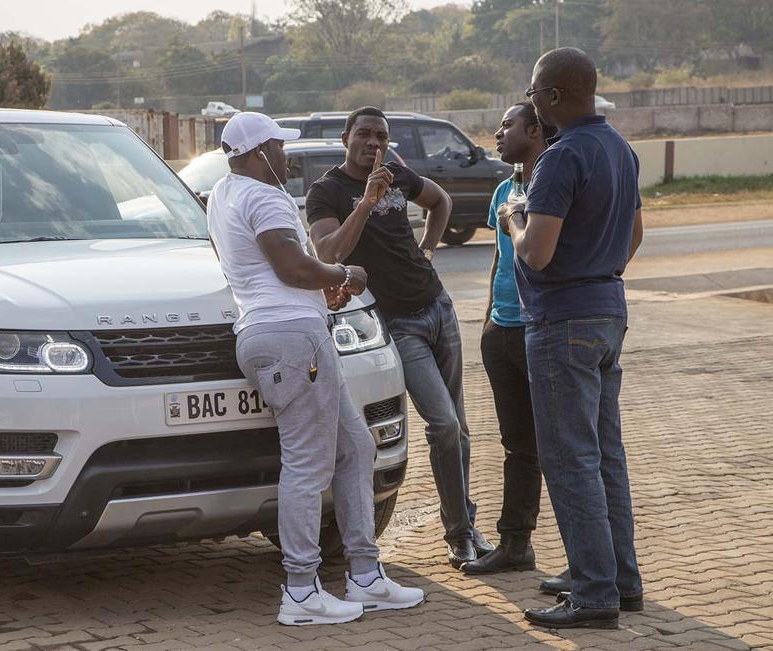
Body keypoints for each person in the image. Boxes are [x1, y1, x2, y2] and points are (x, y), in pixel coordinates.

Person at [206, 112, 424, 627]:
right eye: (279, 147)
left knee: (356, 446)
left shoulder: (222, 193)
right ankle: (301, 590)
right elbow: (291, 267)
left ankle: (365, 575)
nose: (286, 156)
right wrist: (341, 273)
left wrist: (318, 284)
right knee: (307, 462)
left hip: (273, 330)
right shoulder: (263, 196)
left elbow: (274, 270)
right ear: (260, 152)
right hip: (291, 338)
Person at [306, 106, 494, 570]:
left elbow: (441, 201)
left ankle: (466, 525)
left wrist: (429, 249)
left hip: (439, 309)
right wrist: (367, 202)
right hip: (399, 326)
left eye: (381, 137)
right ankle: (459, 535)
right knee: (443, 425)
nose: (373, 143)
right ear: (346, 136)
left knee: (460, 428)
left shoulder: (397, 174)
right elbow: (328, 253)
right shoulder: (326, 192)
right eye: (365, 134)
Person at [497, 48, 645, 629]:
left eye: (534, 93)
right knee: (606, 454)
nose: (531, 101)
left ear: (553, 97)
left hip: (561, 322)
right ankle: (617, 577)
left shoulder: (561, 158)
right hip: (607, 309)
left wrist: (513, 216)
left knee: (569, 459)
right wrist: (599, 269)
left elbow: (535, 252)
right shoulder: (620, 149)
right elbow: (634, 234)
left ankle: (592, 590)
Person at [461, 102, 559, 576]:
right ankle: (515, 544)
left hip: (542, 332)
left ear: (535, 130)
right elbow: (501, 260)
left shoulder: (553, 185)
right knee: (518, 444)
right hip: (501, 332)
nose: (497, 134)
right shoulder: (503, 188)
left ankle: (589, 559)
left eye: (507, 126)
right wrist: (488, 322)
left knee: (561, 445)